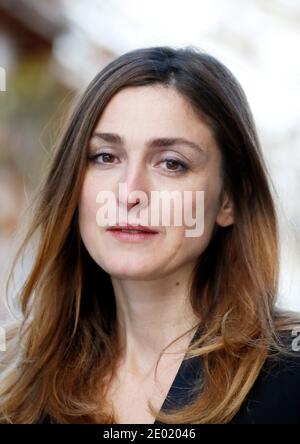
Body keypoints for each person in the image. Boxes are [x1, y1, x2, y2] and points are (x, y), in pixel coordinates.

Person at [0, 46, 300, 424]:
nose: (129, 192)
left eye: (172, 163)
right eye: (105, 157)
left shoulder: (288, 378)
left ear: (229, 199)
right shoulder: (16, 380)